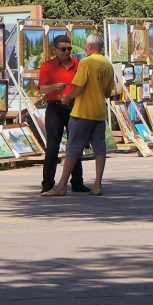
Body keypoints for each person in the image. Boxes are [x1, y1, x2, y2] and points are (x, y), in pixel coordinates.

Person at [45, 34, 115, 197]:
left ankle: (62, 185)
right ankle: (97, 185)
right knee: (99, 148)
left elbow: (79, 87)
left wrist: (67, 97)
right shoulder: (108, 64)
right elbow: (108, 92)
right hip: (99, 111)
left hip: (83, 111)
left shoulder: (86, 62)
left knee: (73, 148)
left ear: (90, 46)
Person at [37, 34, 88, 194]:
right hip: (55, 107)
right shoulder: (47, 66)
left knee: (75, 145)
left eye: (69, 49)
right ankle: (47, 184)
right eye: (63, 49)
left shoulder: (78, 64)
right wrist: (54, 87)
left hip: (74, 106)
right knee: (52, 146)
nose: (67, 52)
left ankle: (77, 182)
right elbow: (42, 89)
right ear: (55, 50)